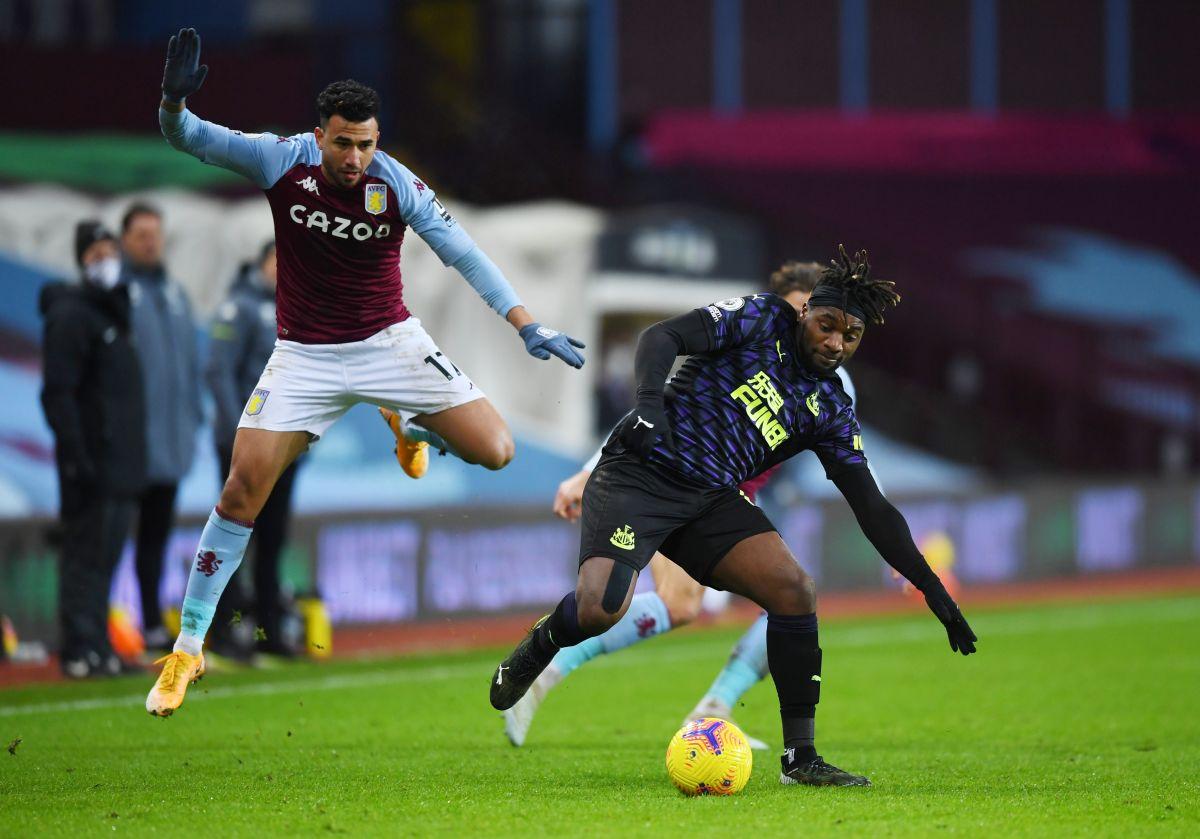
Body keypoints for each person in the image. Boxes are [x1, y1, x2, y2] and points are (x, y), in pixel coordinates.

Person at [145, 28, 584, 716]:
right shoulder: (278, 159)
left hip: (390, 344)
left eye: (367, 144)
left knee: (497, 450)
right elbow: (189, 137)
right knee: (239, 492)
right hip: (304, 357)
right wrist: (173, 101)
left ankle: (406, 417)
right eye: (344, 142)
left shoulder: (397, 184)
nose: (355, 158)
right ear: (319, 134)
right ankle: (188, 646)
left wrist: (526, 323)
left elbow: (464, 253)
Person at [490, 246, 977, 788]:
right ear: (805, 312)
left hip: (711, 498)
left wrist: (932, 588)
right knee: (602, 607)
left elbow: (872, 506)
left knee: (793, 591)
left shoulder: (832, 405)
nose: (835, 342)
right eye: (827, 325)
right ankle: (540, 649)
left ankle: (801, 759)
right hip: (640, 474)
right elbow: (662, 337)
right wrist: (650, 406)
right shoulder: (761, 317)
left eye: (850, 336)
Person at [503, 261, 844, 749]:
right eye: (797, 312)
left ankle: (716, 706)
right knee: (675, 602)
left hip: (738, 498)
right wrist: (586, 471)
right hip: (678, 483)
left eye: (820, 319)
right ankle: (547, 671)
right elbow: (661, 412)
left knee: (787, 600)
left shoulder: (836, 388)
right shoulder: (751, 336)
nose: (804, 327)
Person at [39, 222, 146, 678]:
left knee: (105, 558)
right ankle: (78, 648)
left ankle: (98, 645)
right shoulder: (71, 315)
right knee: (84, 557)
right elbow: (57, 393)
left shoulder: (113, 314)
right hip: (91, 464)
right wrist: (76, 454)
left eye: (110, 249)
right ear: (81, 259)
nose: (106, 258)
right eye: (96, 251)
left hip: (120, 463)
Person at [205, 242, 299, 657]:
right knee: (234, 538)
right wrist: (234, 434)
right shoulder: (239, 307)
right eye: (277, 259)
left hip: (285, 444)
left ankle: (268, 635)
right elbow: (219, 371)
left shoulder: (300, 308)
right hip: (247, 446)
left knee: (273, 540)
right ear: (261, 264)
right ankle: (226, 633)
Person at [121, 201, 204, 654]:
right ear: (124, 240)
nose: (150, 241)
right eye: (141, 234)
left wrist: (191, 420)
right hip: (128, 445)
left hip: (170, 445)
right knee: (114, 538)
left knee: (155, 538)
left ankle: (151, 622)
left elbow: (190, 367)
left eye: (156, 233)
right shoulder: (116, 292)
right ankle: (102, 626)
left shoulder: (175, 294)